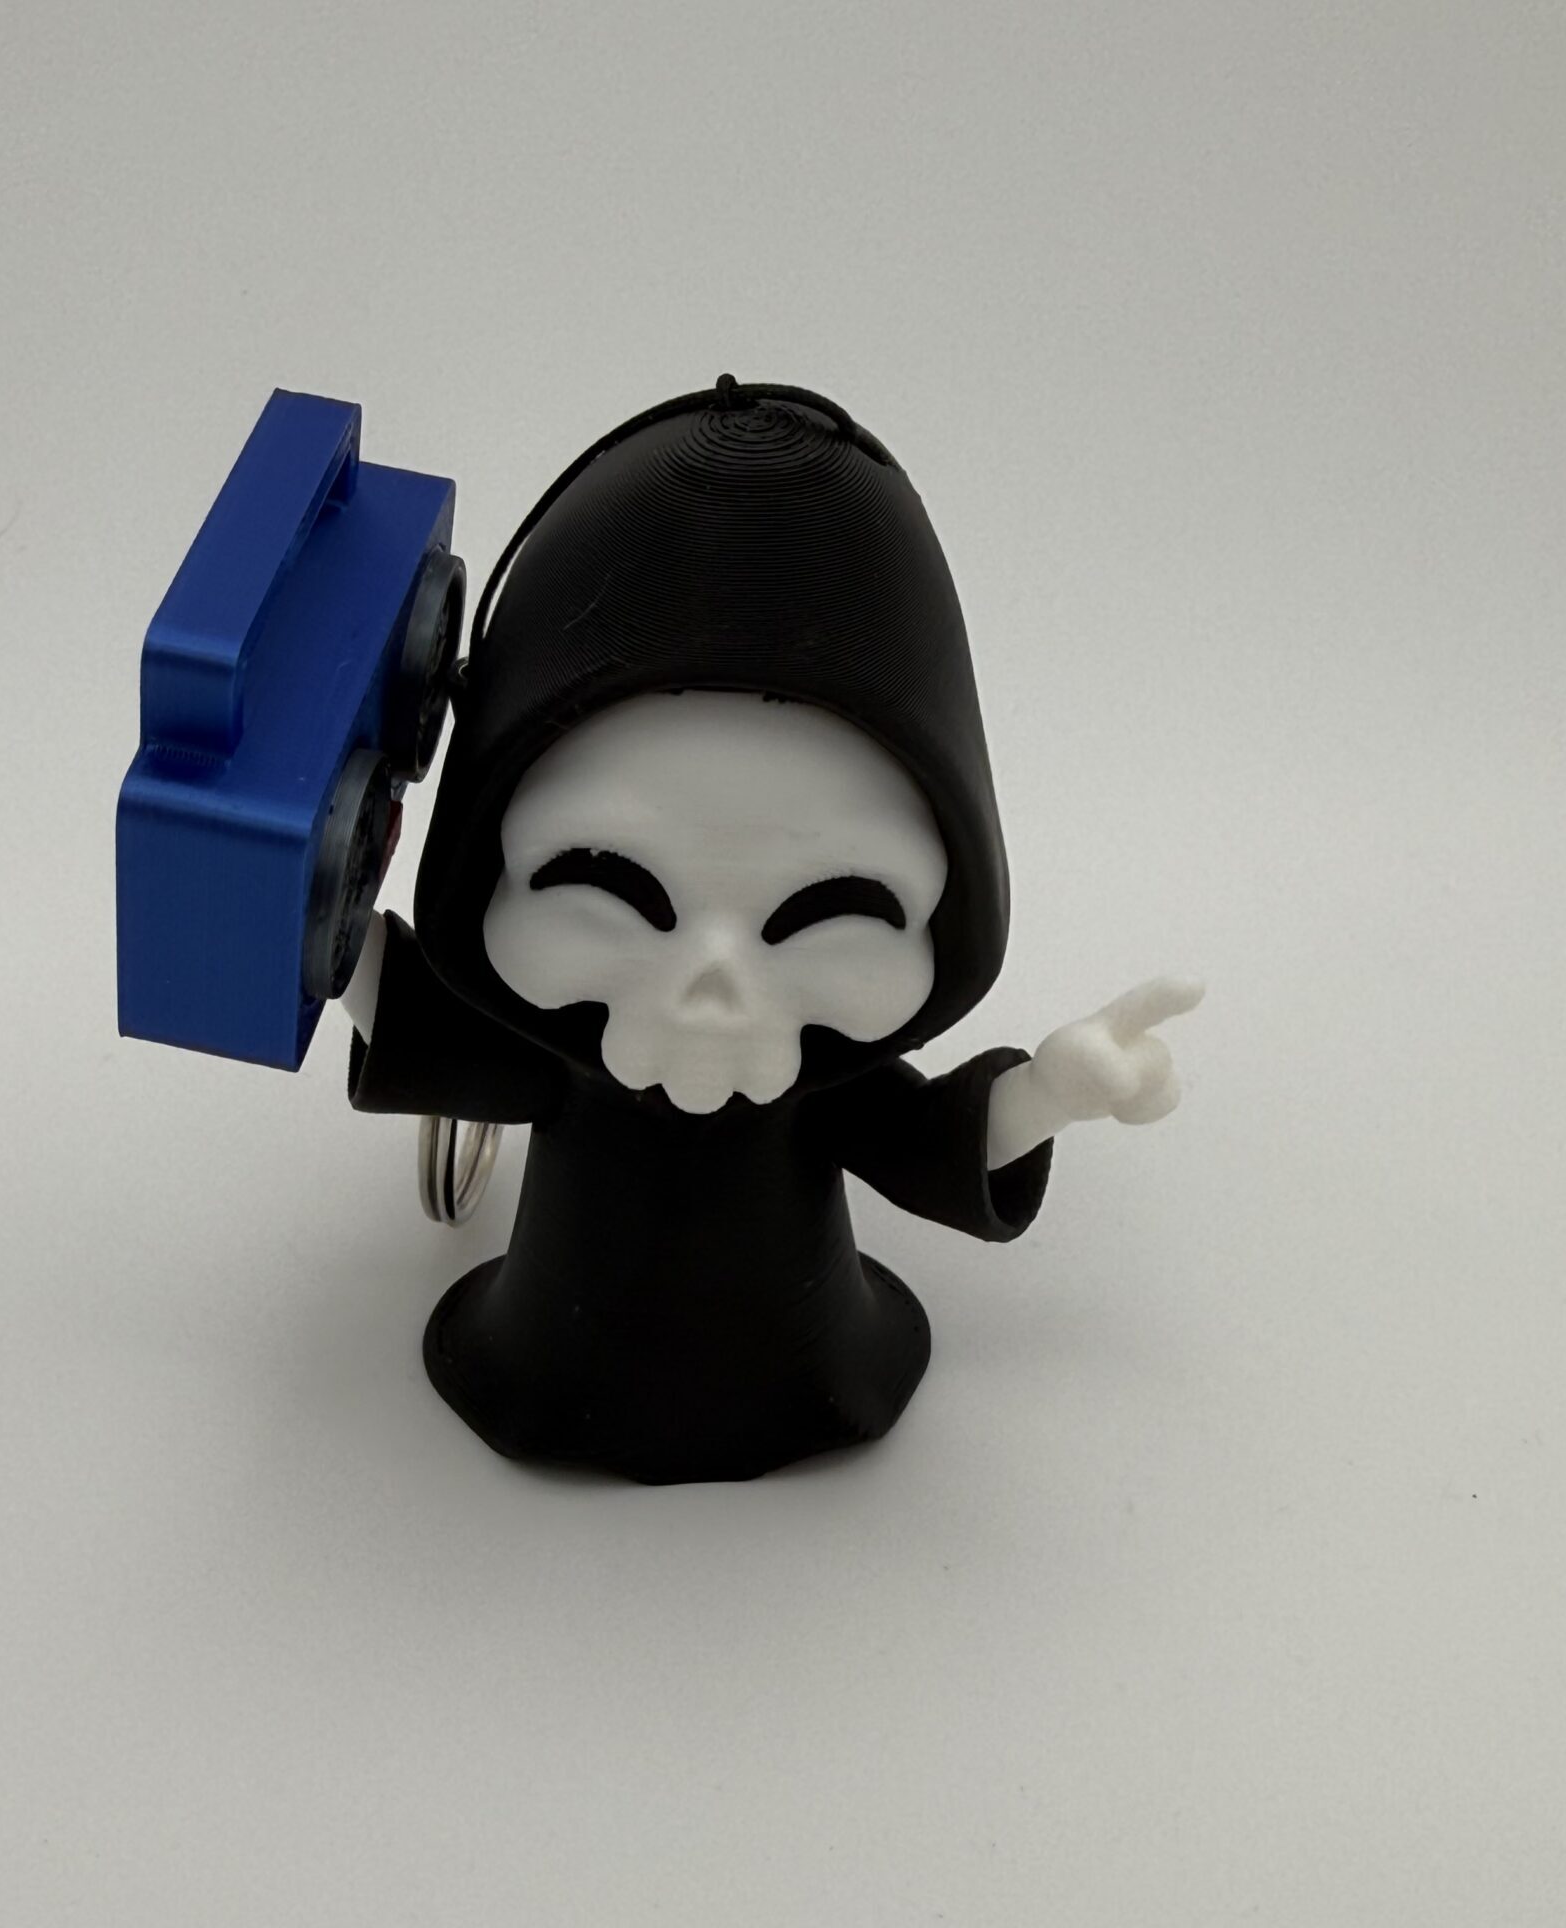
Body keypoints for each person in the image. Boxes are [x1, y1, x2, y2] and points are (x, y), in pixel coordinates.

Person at [340, 380, 1198, 1483]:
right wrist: (306, 912)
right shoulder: (564, 1050)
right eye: (611, 885)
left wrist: (1048, 1094)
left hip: (809, 1370)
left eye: (825, 911)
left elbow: (919, 1138)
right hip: (546, 1364)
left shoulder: (816, 1081)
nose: (712, 982)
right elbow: (436, 1027)